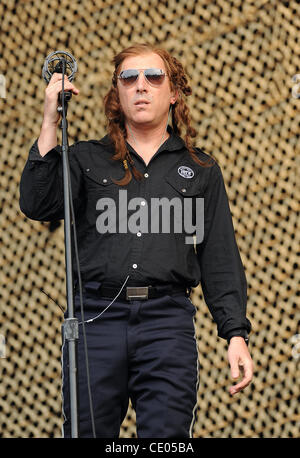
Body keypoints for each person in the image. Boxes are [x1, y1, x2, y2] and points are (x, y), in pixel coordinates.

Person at [19, 43, 254, 438]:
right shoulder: (85, 159)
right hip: (95, 319)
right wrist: (49, 119)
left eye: (153, 77)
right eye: (129, 78)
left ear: (173, 91)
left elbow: (219, 256)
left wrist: (235, 334)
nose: (141, 86)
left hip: (167, 322)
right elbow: (37, 203)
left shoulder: (200, 169)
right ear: (117, 93)